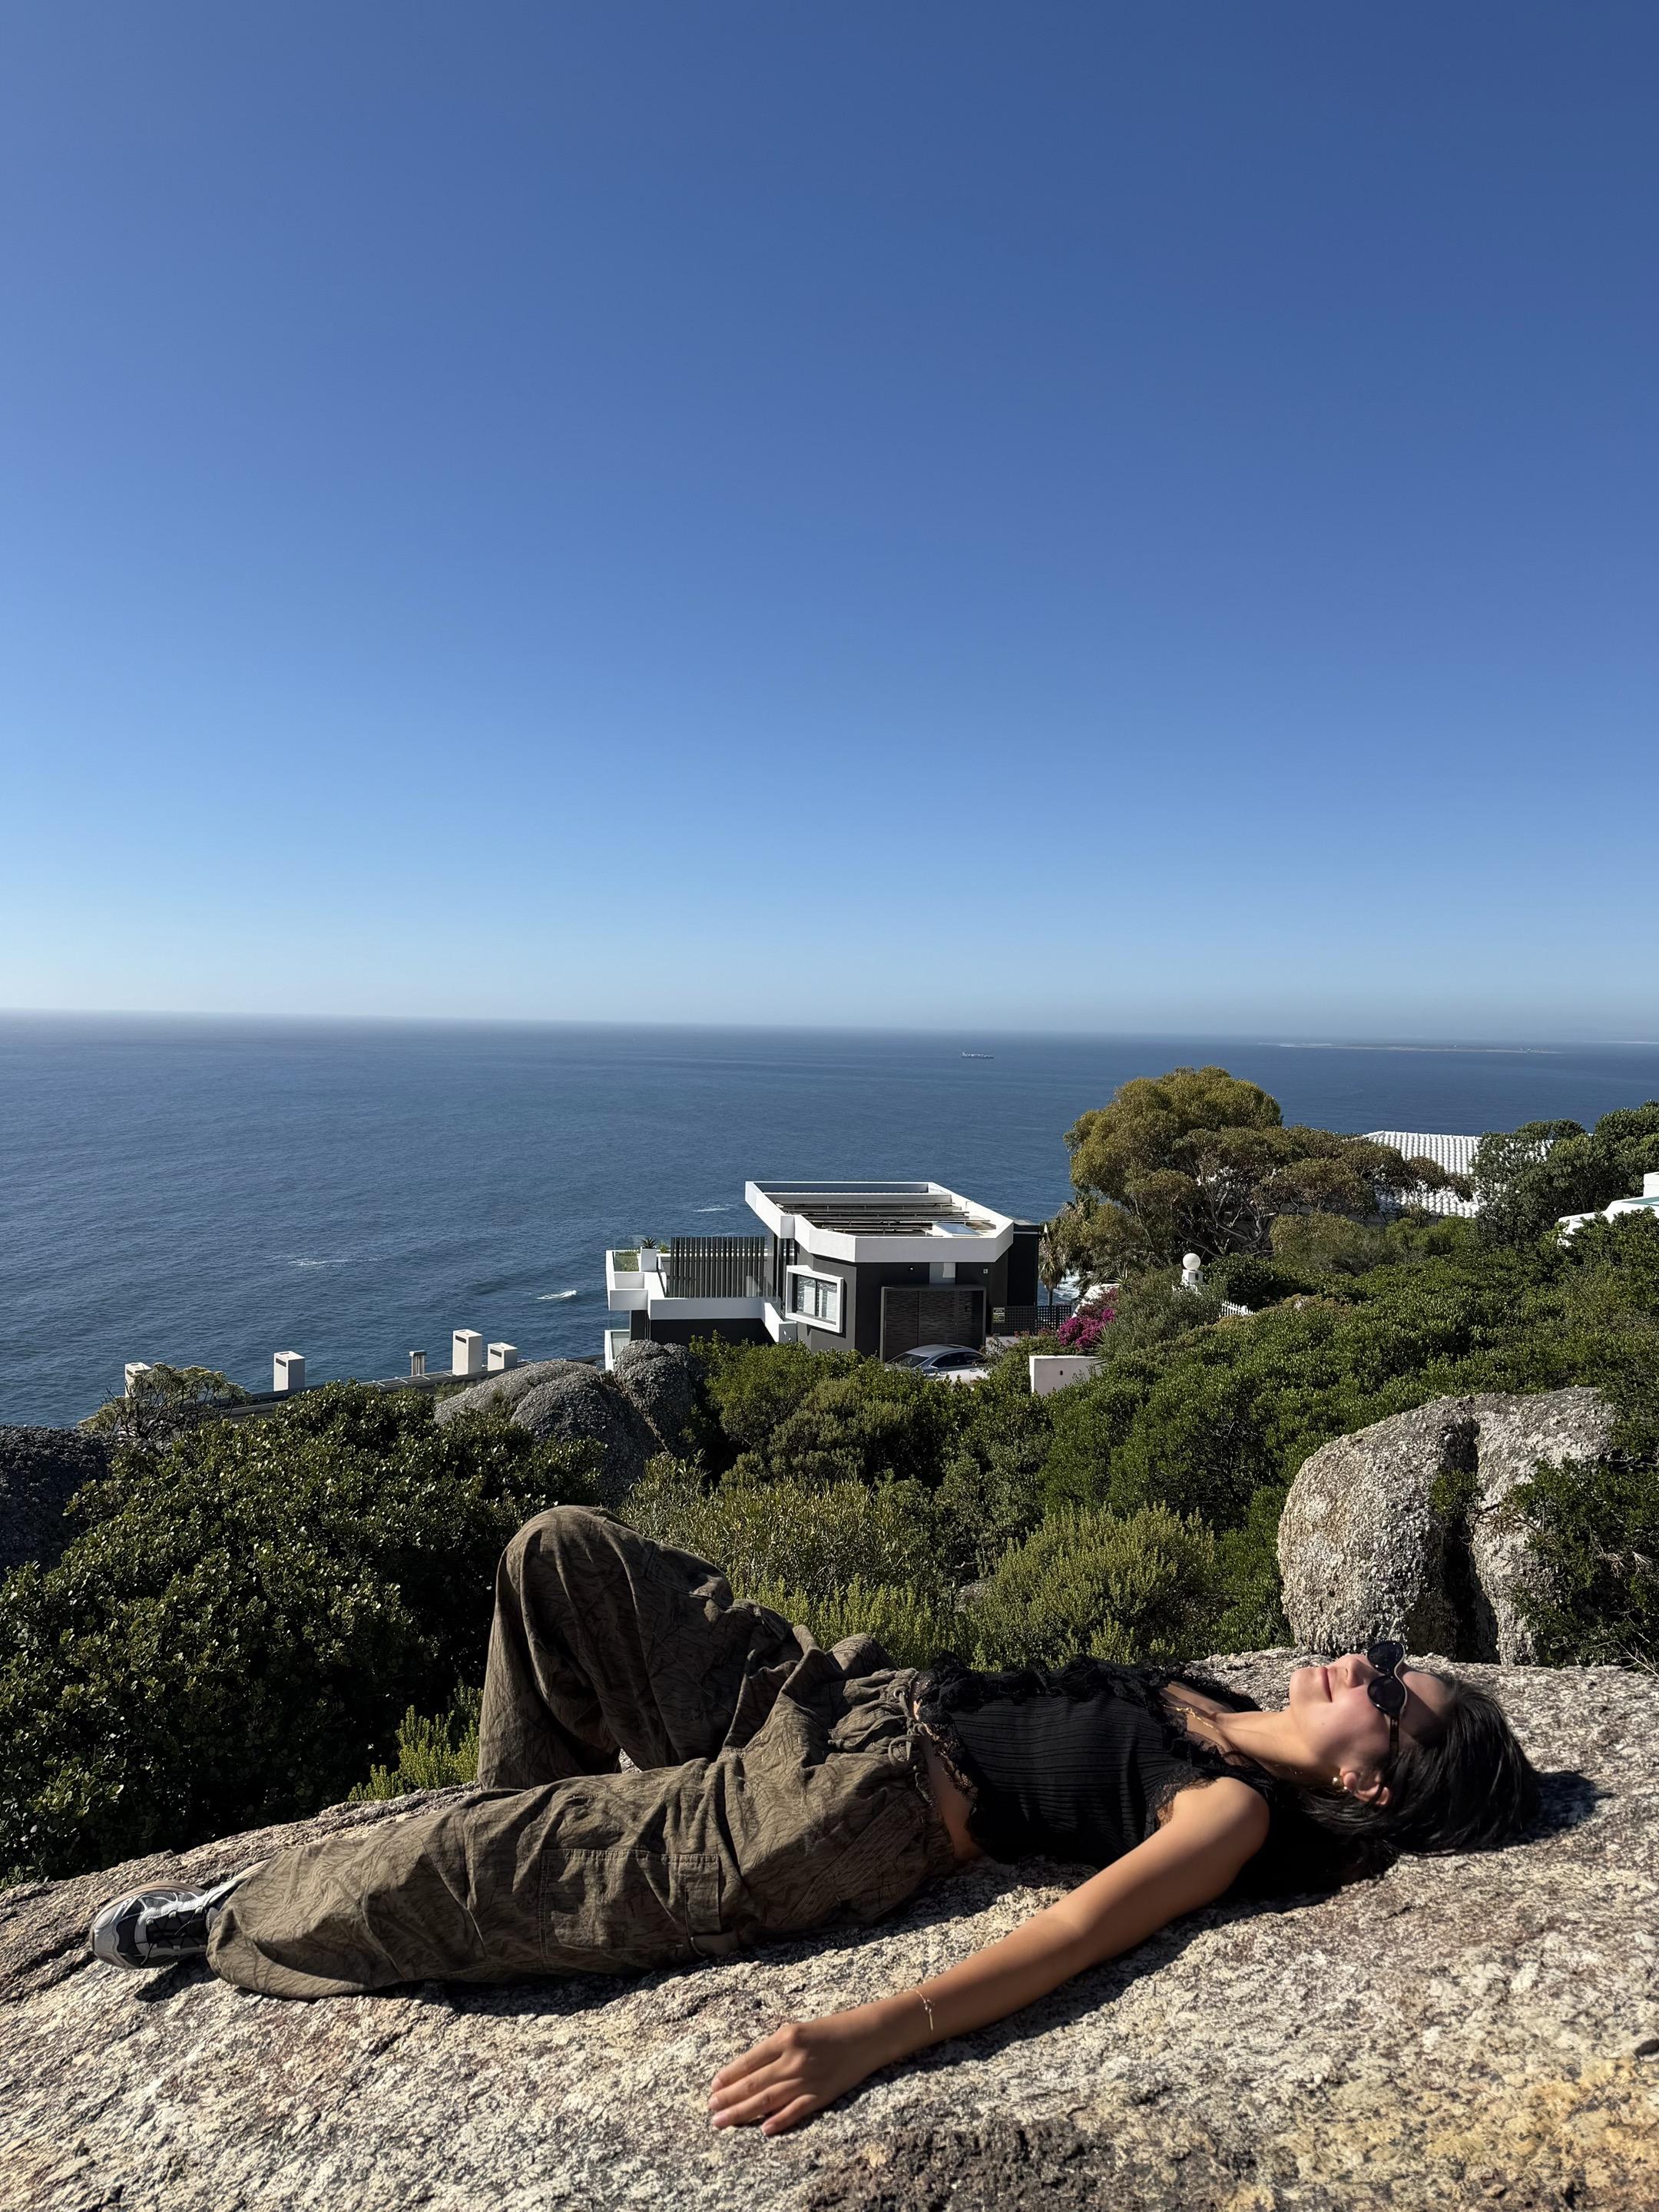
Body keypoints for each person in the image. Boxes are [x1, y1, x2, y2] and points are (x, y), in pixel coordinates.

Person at [90, 1505, 1541, 2136]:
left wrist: (870, 2037)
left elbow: (1078, 1934)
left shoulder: (1228, 1814)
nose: (1371, 1664)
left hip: (838, 1811)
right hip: (827, 1697)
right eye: (1391, 1659)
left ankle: (235, 1920)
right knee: (558, 1553)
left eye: (1394, 1695)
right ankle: (514, 1841)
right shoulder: (1214, 1700)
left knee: (472, 1862)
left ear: (1375, 1784)